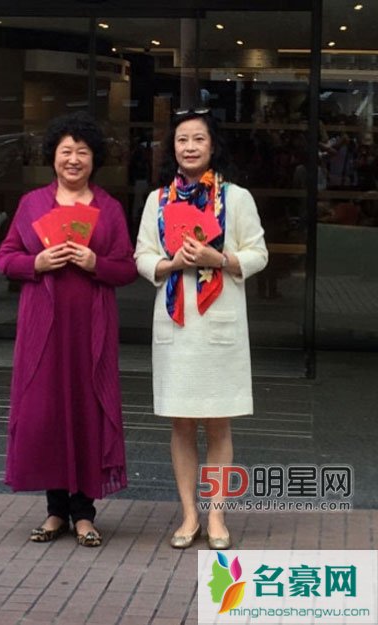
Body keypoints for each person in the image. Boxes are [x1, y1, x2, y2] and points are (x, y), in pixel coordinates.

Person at [0, 112, 137, 547]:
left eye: (83, 152)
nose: (73, 159)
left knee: (87, 407)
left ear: (95, 159)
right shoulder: (33, 204)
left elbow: (127, 268)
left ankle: (84, 514)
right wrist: (35, 263)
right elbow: (5, 257)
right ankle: (56, 510)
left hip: (91, 327)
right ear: (53, 156)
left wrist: (97, 264)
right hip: (43, 328)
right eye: (66, 151)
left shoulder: (108, 209)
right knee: (46, 411)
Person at [134, 108, 268, 550]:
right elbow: (142, 256)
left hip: (220, 321)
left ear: (213, 145)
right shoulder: (158, 200)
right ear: (172, 147)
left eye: (198, 139)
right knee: (181, 422)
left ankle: (216, 515)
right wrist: (170, 263)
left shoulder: (236, 198)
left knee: (219, 423)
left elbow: (259, 253)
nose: (189, 147)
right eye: (181, 140)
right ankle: (189, 513)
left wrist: (221, 259)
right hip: (176, 324)